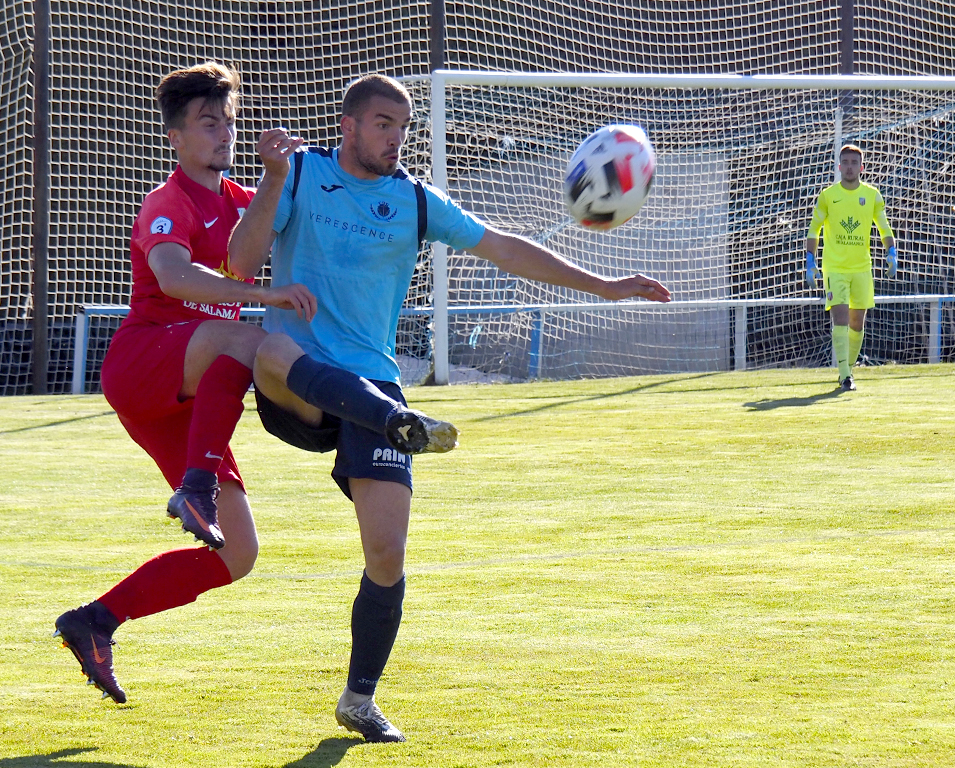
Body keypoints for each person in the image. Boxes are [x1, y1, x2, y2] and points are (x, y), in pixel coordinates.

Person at [228, 73, 672, 742]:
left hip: (375, 385)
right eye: (383, 124)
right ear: (348, 125)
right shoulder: (300, 175)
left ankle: (359, 699)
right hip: (301, 387)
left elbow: (503, 246)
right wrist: (270, 178)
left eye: (403, 127)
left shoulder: (414, 199)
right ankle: (394, 424)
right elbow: (240, 263)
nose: (396, 139)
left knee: (386, 555)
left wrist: (604, 286)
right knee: (268, 349)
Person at [50, 61, 325, 704]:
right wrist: (265, 295)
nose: (224, 132)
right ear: (175, 136)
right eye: (208, 123)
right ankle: (196, 489)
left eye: (228, 121)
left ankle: (95, 621)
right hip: (145, 364)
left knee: (238, 556)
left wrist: (279, 178)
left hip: (193, 399)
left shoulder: (241, 200)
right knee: (249, 341)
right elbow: (175, 278)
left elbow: (249, 256)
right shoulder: (166, 202)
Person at [805, 143, 897, 391]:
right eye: (845, 162)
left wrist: (891, 252)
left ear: (861, 167)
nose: (849, 167)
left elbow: (884, 227)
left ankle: (848, 369)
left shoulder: (872, 195)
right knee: (841, 318)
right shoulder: (828, 196)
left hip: (861, 268)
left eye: (854, 163)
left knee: (857, 323)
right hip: (835, 267)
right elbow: (814, 229)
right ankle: (845, 375)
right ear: (839, 166)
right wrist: (810, 260)